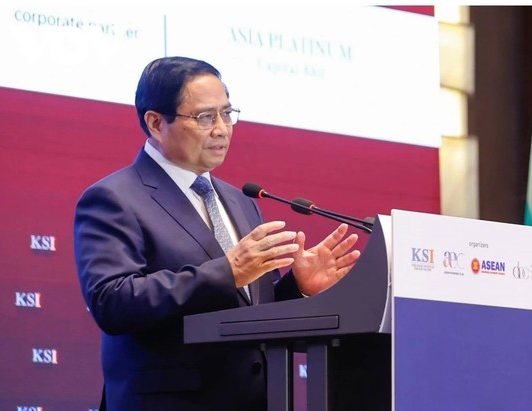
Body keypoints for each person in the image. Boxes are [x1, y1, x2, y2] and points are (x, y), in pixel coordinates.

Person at [73, 56, 361, 410]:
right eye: (206, 117)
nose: (222, 129)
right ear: (155, 123)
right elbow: (112, 302)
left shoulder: (240, 201)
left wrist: (297, 288)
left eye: (227, 113)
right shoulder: (115, 198)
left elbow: (248, 312)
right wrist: (228, 271)